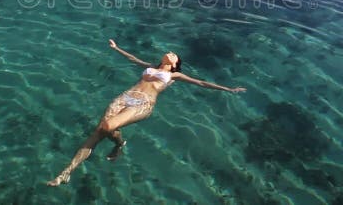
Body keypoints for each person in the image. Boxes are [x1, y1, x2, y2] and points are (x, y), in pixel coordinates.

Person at [47, 39, 246, 186]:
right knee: (99, 131)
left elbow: (201, 82)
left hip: (143, 104)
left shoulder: (174, 75)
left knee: (108, 126)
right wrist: (117, 48)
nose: (170, 52)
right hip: (125, 97)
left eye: (174, 54)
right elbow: (133, 58)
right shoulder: (150, 67)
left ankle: (118, 144)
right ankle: (67, 172)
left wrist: (228, 89)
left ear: (175, 63)